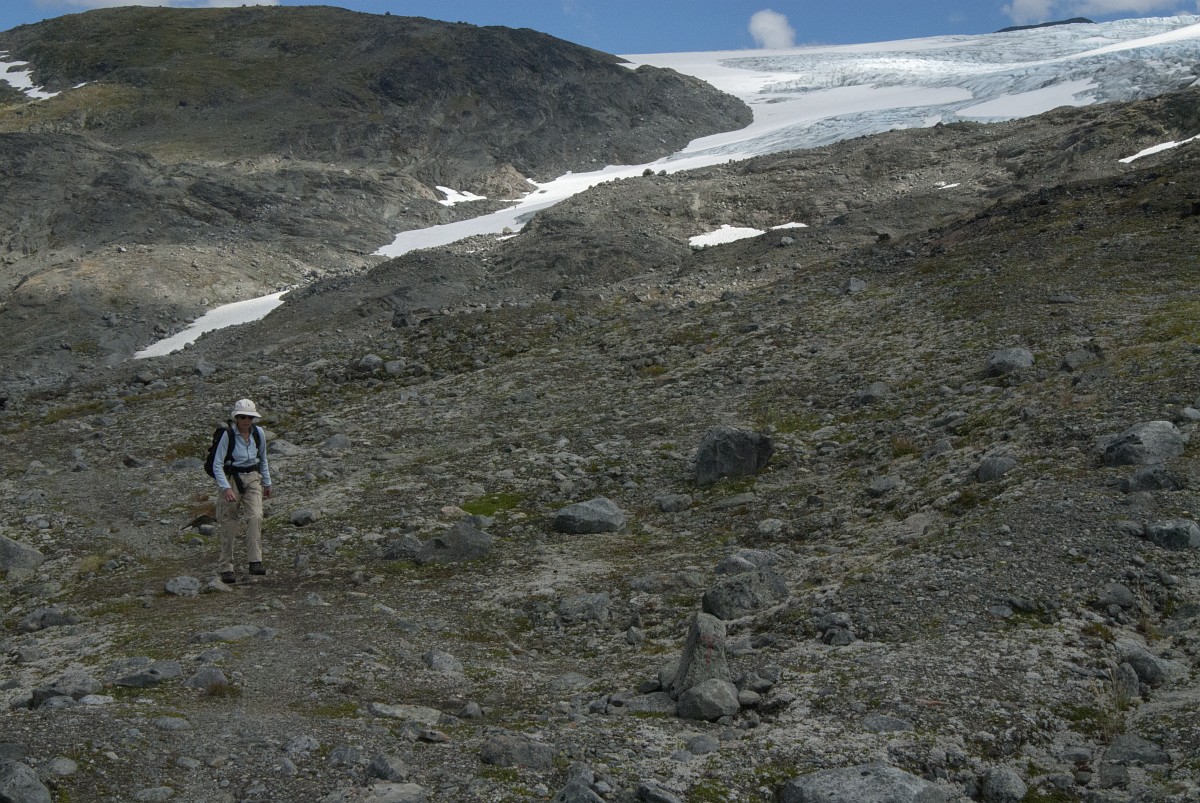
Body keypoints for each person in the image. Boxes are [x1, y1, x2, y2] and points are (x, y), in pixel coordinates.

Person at [213, 398, 273, 583]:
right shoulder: (228, 435)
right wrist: (225, 487)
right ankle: (226, 567)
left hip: (253, 477)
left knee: (255, 516)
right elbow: (217, 464)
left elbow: (263, 458)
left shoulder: (258, 433)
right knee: (229, 522)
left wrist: (267, 482)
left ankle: (255, 561)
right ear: (236, 418)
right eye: (242, 417)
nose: (246, 420)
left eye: (249, 417)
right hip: (232, 479)